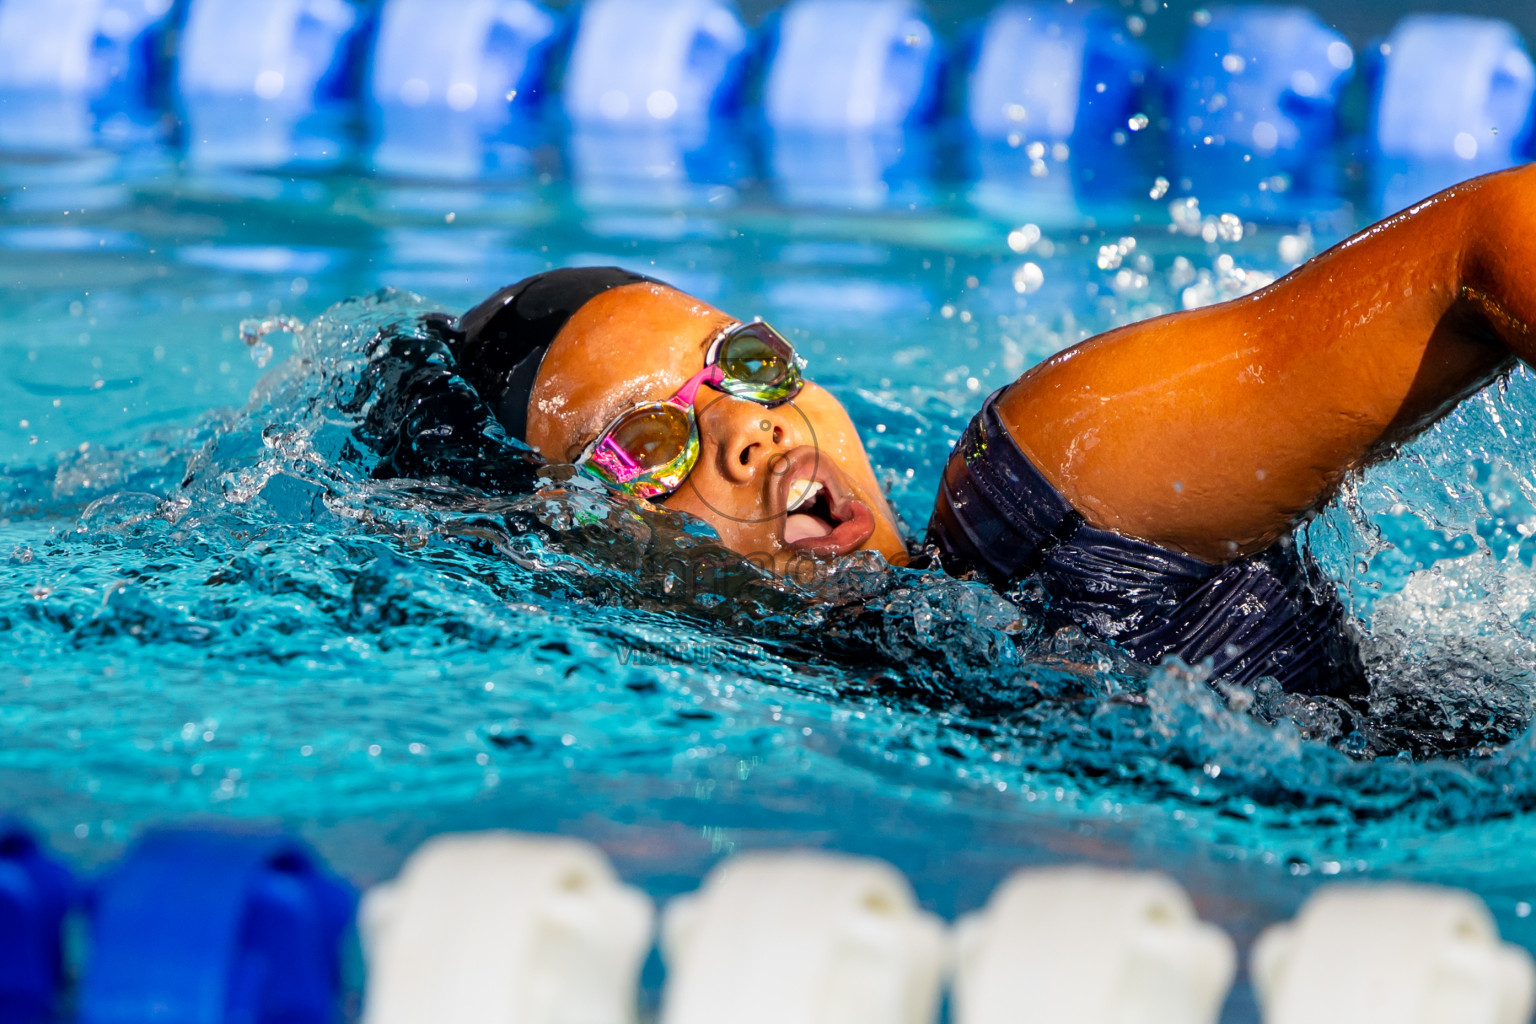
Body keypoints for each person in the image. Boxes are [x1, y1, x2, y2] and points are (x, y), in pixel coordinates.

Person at [354, 164, 1536, 704]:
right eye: (649, 440)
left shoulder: (1054, 490)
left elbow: (1489, 238)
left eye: (744, 366)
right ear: (563, 545)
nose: (750, 434)